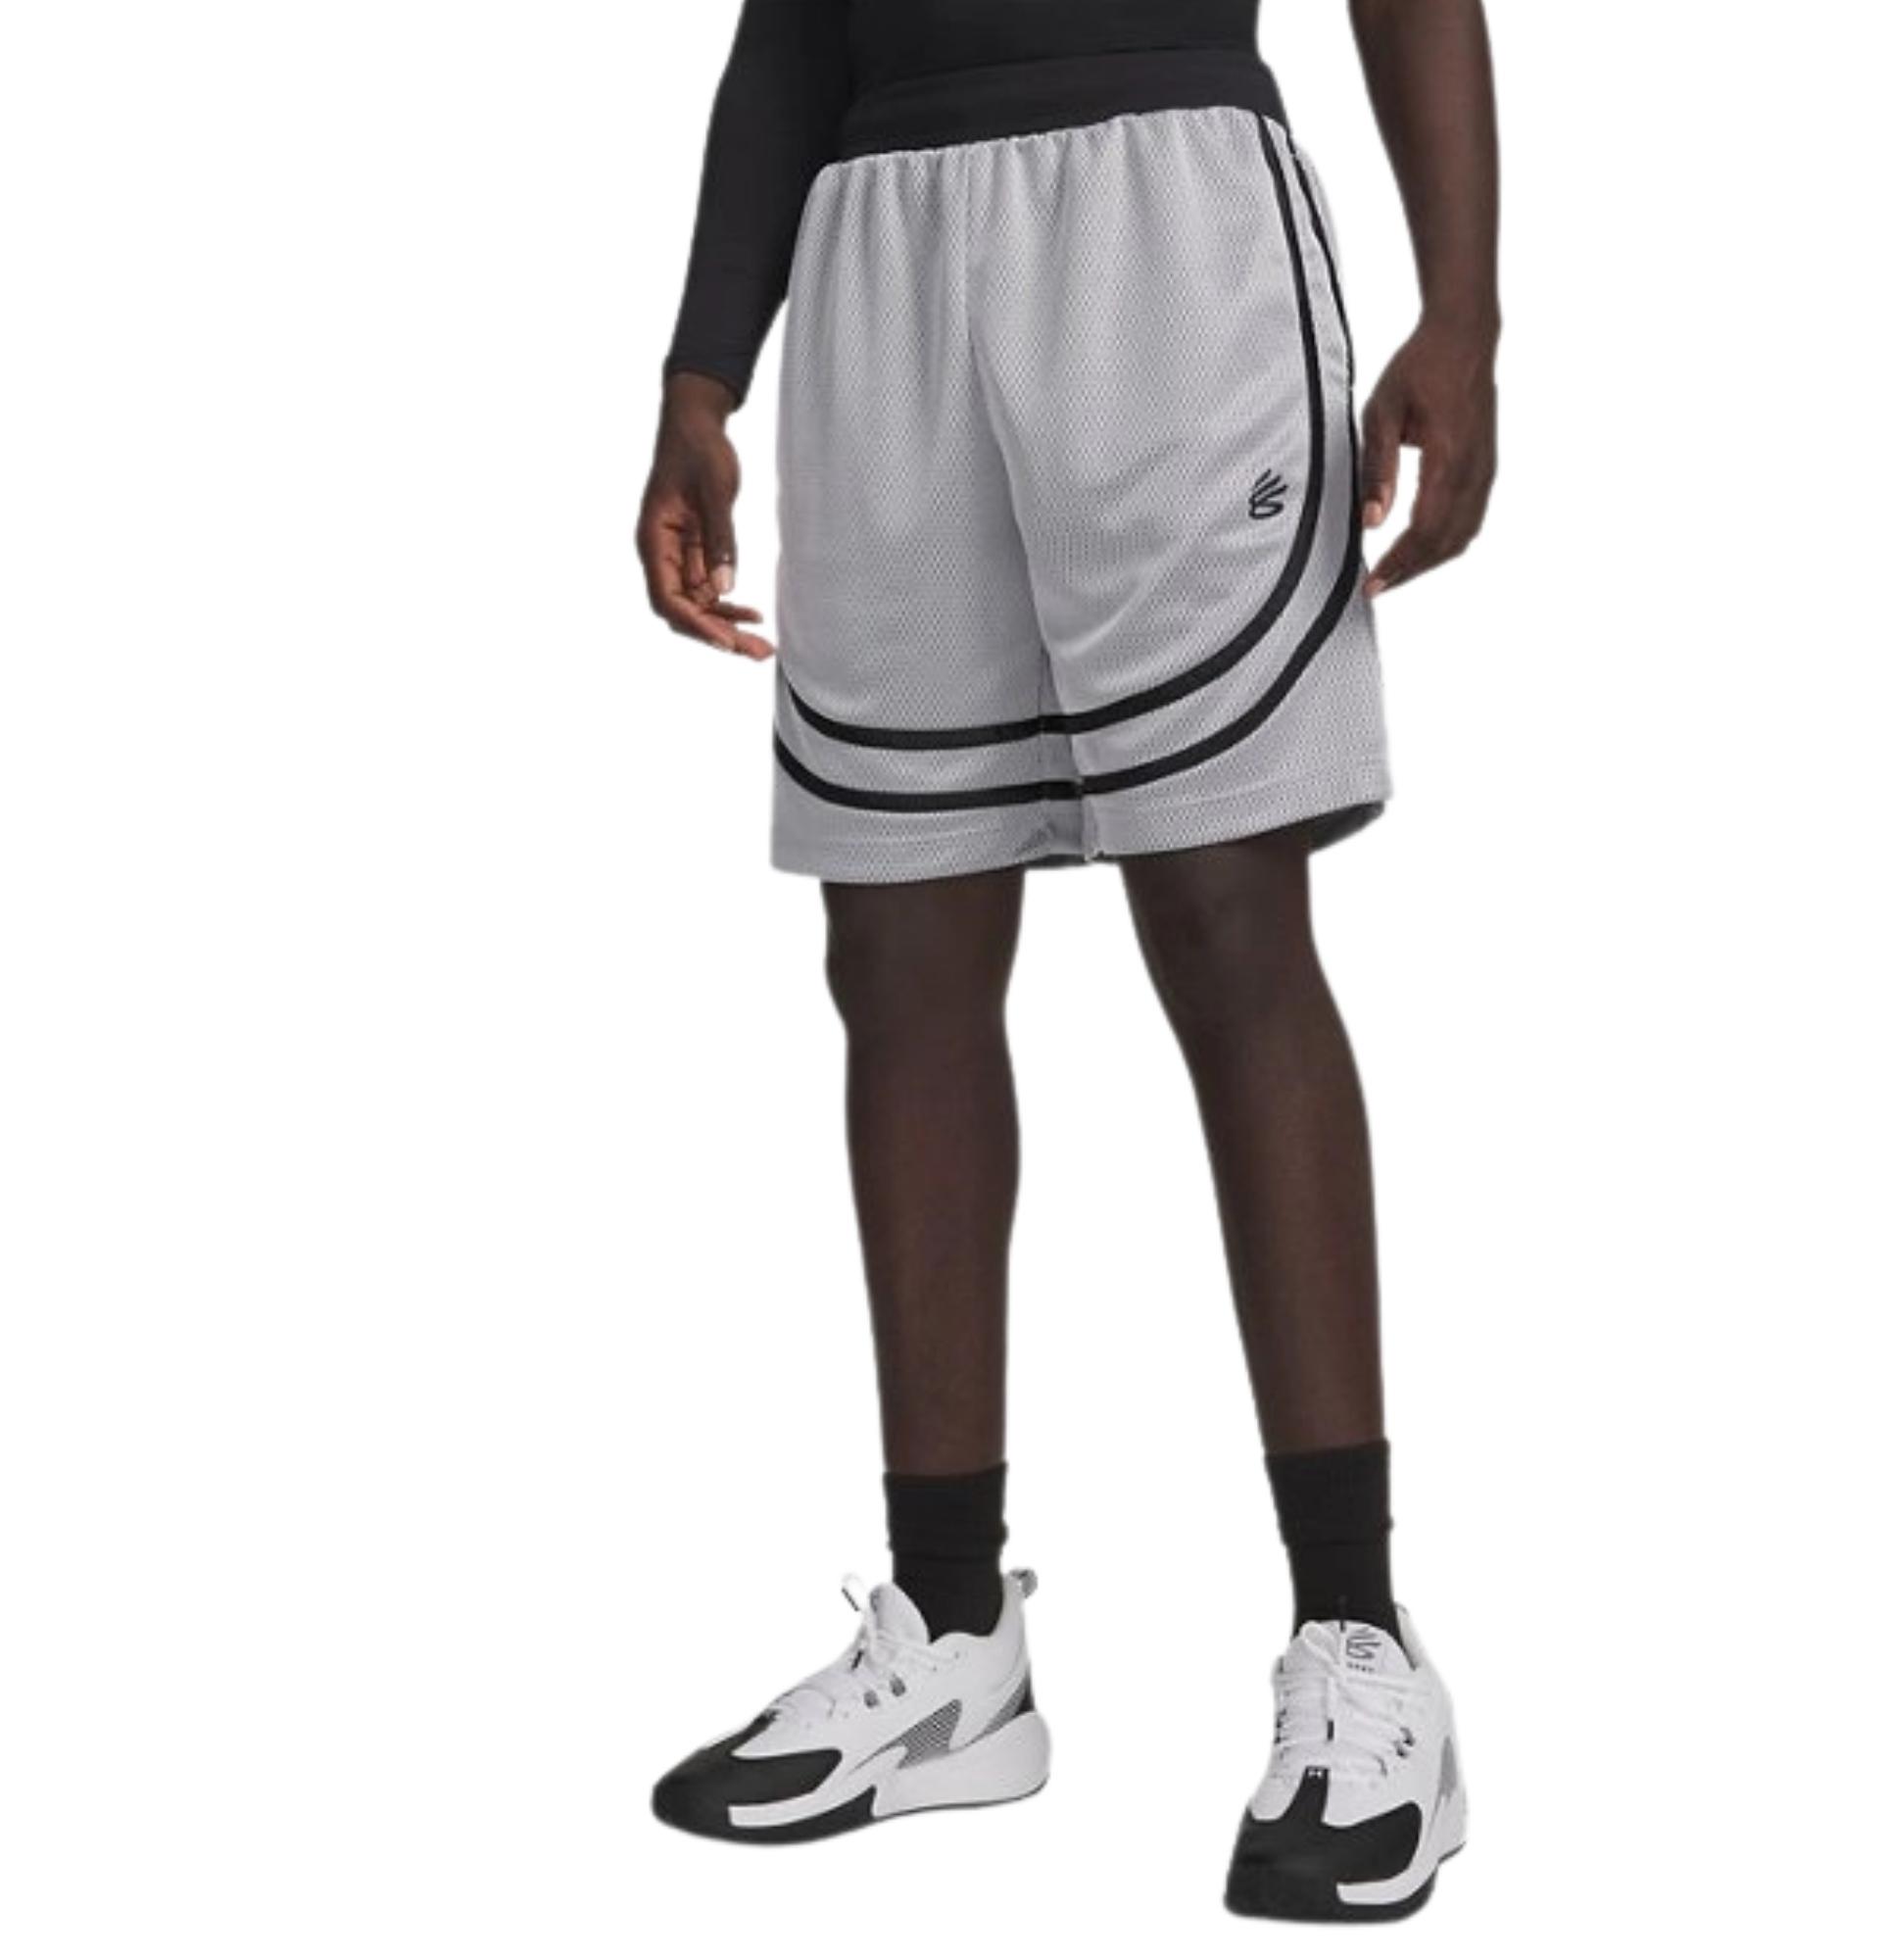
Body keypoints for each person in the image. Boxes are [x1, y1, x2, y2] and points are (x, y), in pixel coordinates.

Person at [635, 0, 1499, 1923]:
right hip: (878, 248)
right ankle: (952, 1637)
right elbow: (789, 23)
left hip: (1162, 219)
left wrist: (1464, 311)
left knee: (1226, 921)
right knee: (898, 944)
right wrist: (703, 369)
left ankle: (1361, 1646)